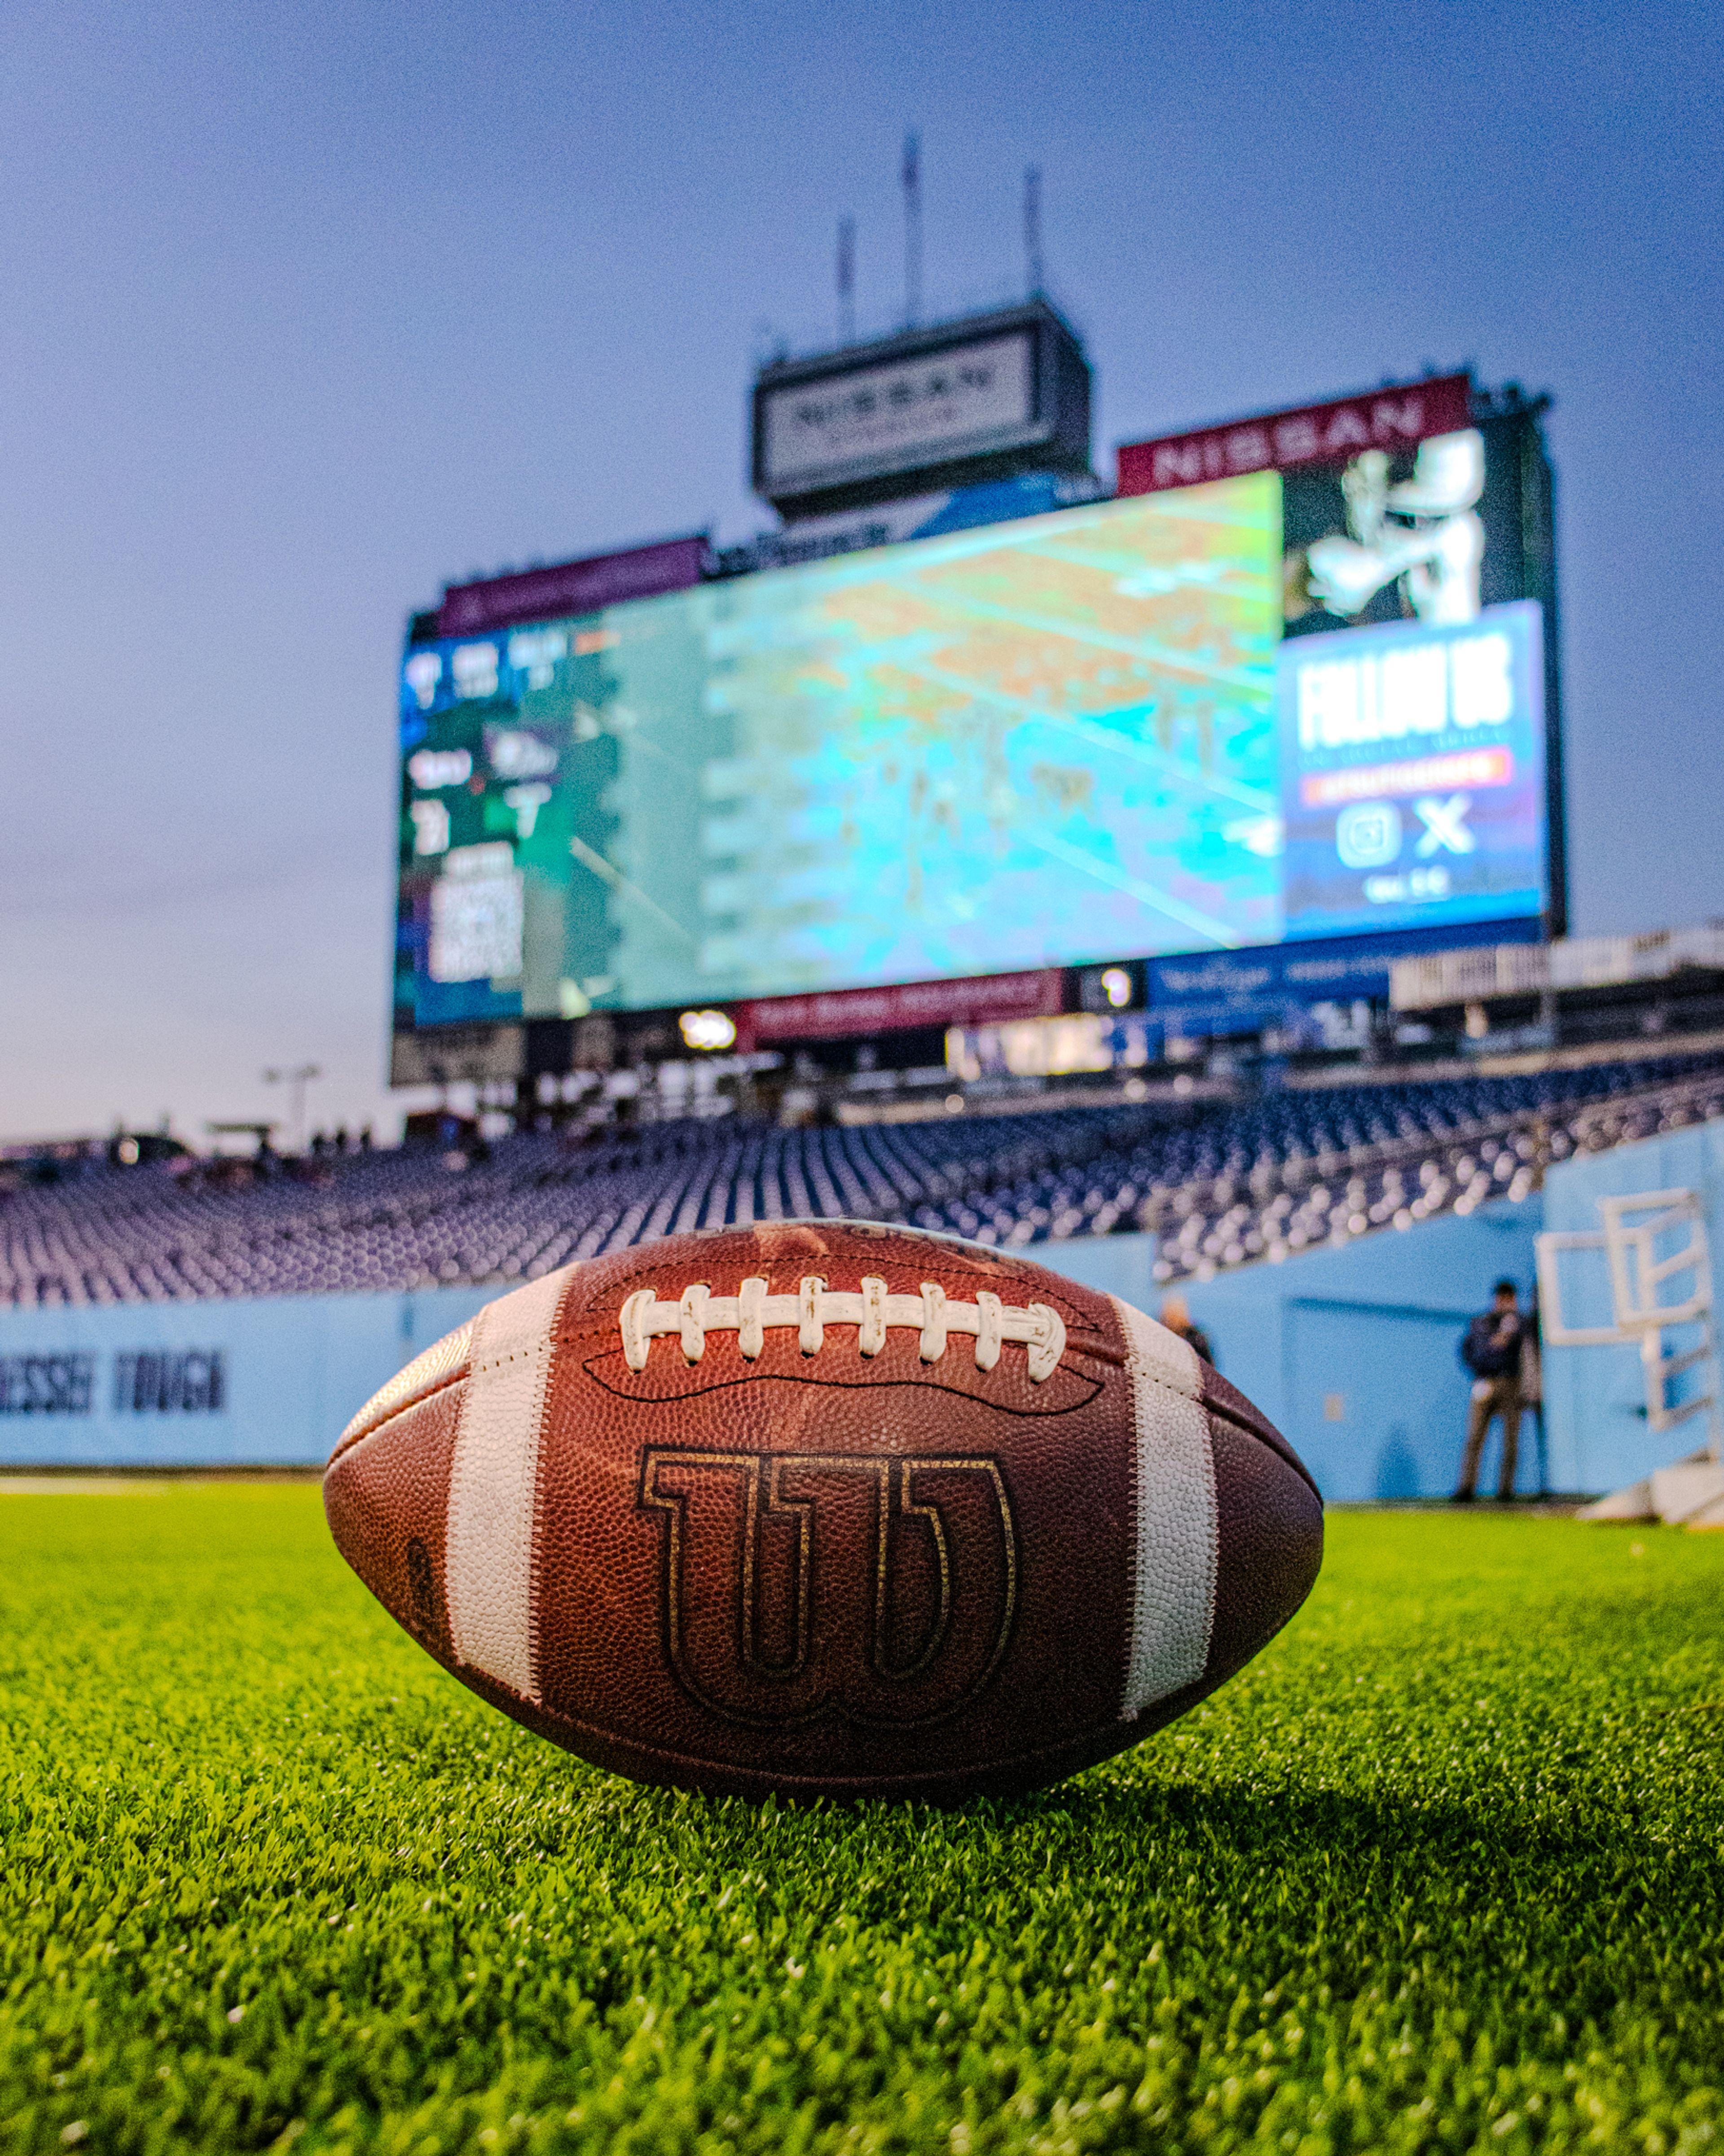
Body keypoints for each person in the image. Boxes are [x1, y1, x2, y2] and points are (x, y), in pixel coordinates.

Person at [1455, 1279, 1525, 1502]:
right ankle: (1466, 1488)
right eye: (1501, 1298)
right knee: (1474, 1437)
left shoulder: (1520, 1324)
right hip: (1484, 1382)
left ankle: (1506, 1490)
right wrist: (1481, 1369)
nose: (1504, 1303)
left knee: (1510, 1439)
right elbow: (1471, 1351)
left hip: (1510, 1383)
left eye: (1509, 1299)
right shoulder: (1481, 1323)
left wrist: (1512, 1329)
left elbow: (1526, 1351)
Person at [1159, 1293, 1214, 1366]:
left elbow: (1209, 1364)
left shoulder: (1196, 1337)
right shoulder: (1161, 1336)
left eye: (1173, 1317)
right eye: (1165, 1317)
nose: (1168, 1321)